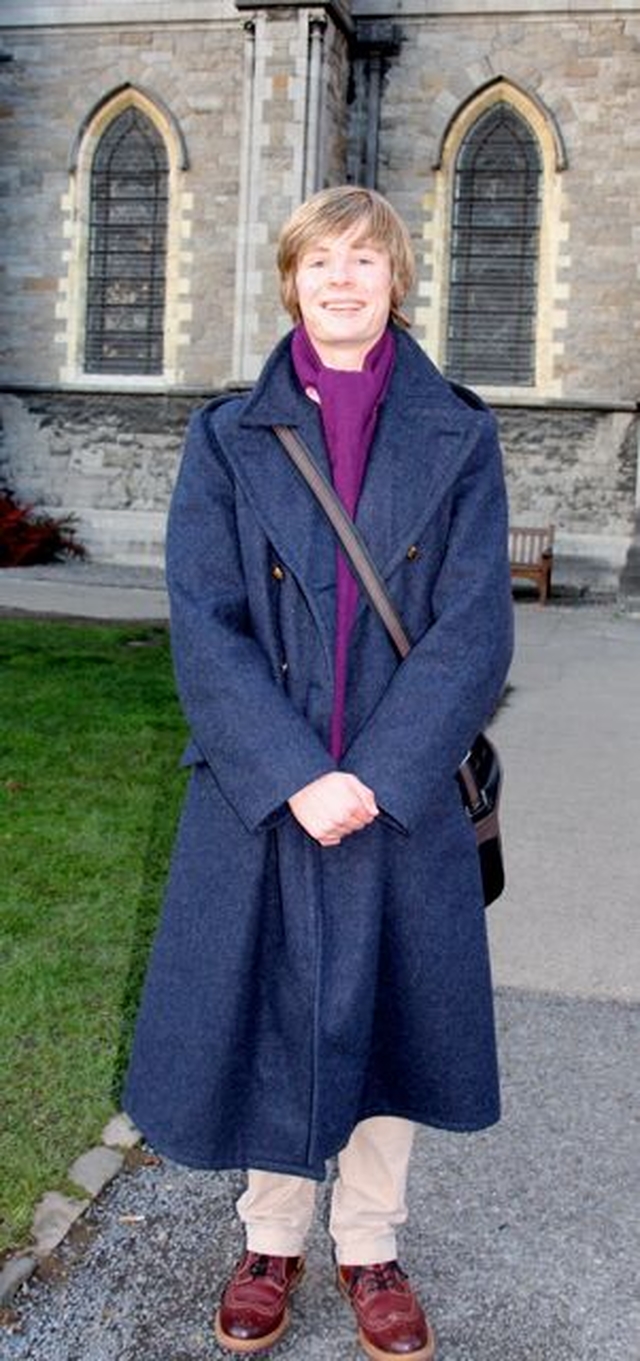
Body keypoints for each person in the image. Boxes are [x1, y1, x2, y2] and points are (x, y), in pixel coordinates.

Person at [124, 185, 514, 1360]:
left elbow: (472, 625)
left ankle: (369, 1242)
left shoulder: (458, 429)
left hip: (396, 797)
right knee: (272, 1005)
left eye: (366, 260)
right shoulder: (223, 434)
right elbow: (205, 616)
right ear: (290, 280)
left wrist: (382, 772)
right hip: (268, 789)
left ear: (397, 281)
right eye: (320, 261)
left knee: (391, 1018)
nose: (343, 279)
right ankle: (270, 1234)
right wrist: (295, 771)